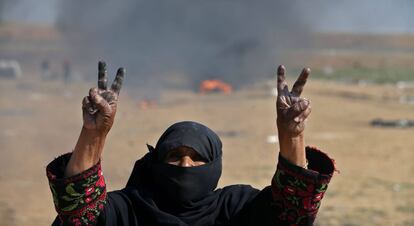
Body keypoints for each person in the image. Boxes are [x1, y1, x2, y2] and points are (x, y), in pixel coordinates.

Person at [46, 61, 335, 226]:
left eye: (197, 158)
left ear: (214, 165)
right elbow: (77, 212)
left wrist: (291, 135)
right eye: (174, 156)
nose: (186, 165)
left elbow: (293, 210)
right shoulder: (128, 209)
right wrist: (94, 134)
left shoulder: (236, 208)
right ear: (157, 163)